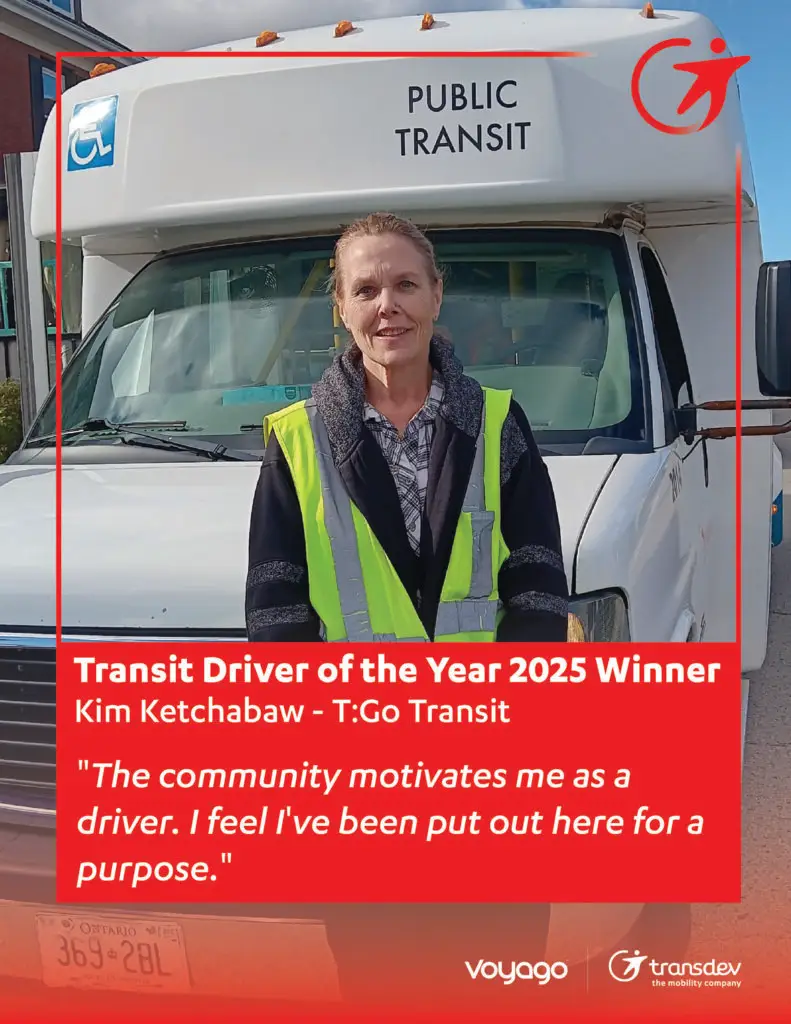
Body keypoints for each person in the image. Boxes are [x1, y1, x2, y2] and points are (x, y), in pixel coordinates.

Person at [245, 212, 569, 1009]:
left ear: (436, 296)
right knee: (379, 972)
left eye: (404, 284)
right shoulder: (296, 440)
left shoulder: (496, 420)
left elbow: (535, 583)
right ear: (340, 308)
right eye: (365, 289)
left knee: (497, 966)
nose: (386, 305)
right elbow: (276, 612)